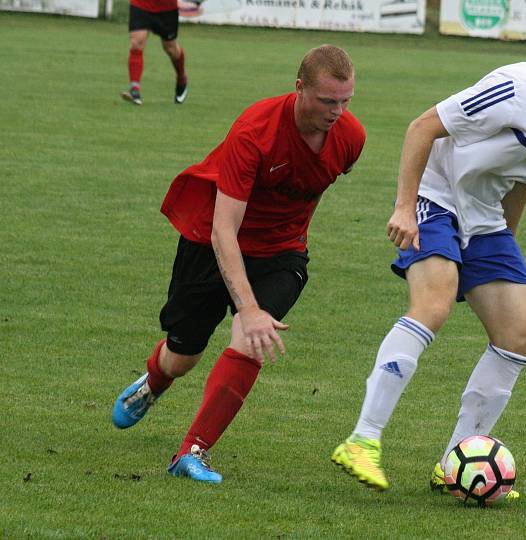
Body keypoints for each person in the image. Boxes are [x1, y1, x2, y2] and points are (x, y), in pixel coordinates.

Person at [331, 57, 526, 497]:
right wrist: (405, 207)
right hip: (436, 196)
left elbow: (520, 182)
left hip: (484, 220)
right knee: (433, 305)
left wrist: (506, 247)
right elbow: (422, 127)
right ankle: (363, 439)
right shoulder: (517, 86)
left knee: (518, 336)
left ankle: (453, 463)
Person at [112, 45, 365, 484]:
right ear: (300, 87)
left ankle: (191, 453)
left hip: (281, 253)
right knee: (182, 358)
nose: (338, 112)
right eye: (328, 101)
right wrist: (246, 307)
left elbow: (313, 185)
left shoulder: (351, 137)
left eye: (346, 100)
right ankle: (154, 381)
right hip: (213, 242)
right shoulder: (255, 130)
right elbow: (222, 230)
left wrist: (259, 301)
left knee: (251, 339)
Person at [121, 0, 189, 105]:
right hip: (141, 4)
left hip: (167, 8)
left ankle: (181, 77)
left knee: (170, 48)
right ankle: (134, 90)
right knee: (136, 43)